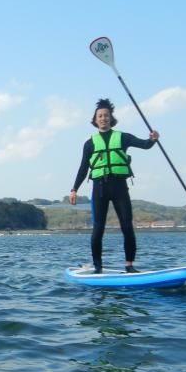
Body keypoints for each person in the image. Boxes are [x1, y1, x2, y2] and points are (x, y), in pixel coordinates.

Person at [70, 98, 159, 274]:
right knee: (98, 228)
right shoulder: (89, 144)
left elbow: (144, 145)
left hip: (119, 187)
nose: (103, 118)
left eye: (106, 115)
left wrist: (152, 139)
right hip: (100, 188)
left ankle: (129, 265)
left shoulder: (123, 137)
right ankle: (98, 267)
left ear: (111, 118)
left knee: (127, 225)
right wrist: (74, 189)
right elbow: (83, 168)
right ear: (95, 120)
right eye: (100, 116)